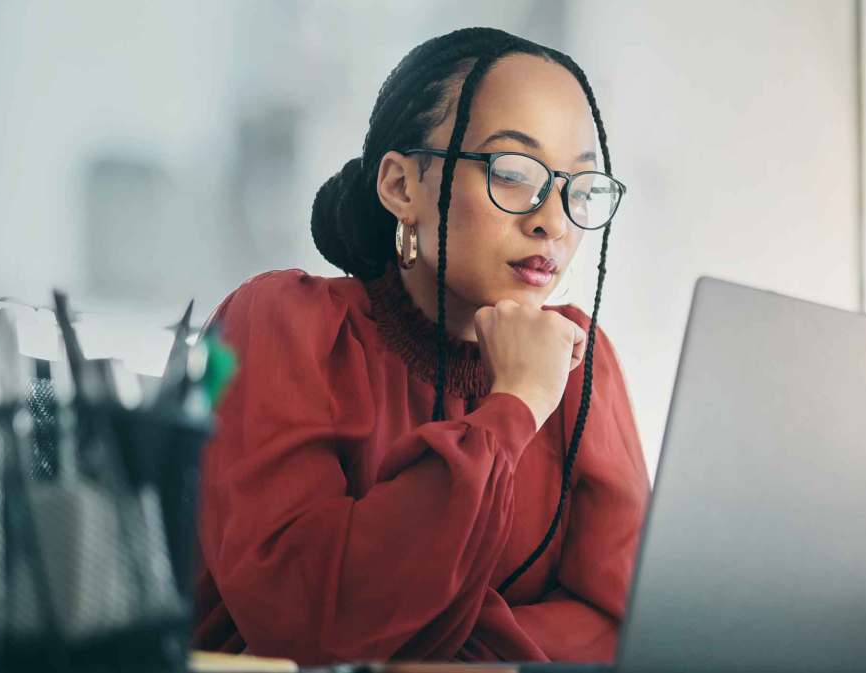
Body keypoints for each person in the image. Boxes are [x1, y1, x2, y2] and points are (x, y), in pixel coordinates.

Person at [191, 27, 650, 666]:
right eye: (513, 173)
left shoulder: (579, 358)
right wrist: (515, 402)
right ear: (403, 188)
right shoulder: (282, 321)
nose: (552, 220)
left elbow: (623, 627)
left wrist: (428, 646)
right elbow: (303, 619)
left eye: (580, 186)